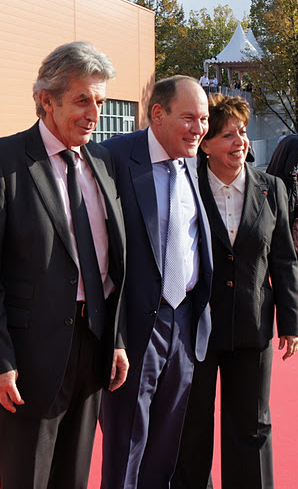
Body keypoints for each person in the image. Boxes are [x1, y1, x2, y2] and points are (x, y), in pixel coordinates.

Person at [0, 41, 128, 489]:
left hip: (93, 348)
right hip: (28, 359)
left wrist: (115, 340)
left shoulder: (102, 162)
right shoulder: (1, 162)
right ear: (46, 99)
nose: (94, 113)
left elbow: (110, 266)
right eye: (82, 100)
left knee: (74, 478)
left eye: (100, 101)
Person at [173, 94, 298, 489]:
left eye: (242, 132)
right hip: (196, 329)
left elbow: (283, 260)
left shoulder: (271, 188)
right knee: (191, 426)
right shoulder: (185, 186)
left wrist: (291, 323)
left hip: (252, 324)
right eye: (227, 135)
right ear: (206, 145)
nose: (239, 142)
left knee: (252, 425)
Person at [100, 75, 213, 489]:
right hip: (133, 325)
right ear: (158, 114)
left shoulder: (193, 163)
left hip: (184, 321)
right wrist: (112, 333)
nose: (199, 129)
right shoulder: (112, 157)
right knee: (125, 446)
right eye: (189, 118)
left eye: (204, 119)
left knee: (166, 444)